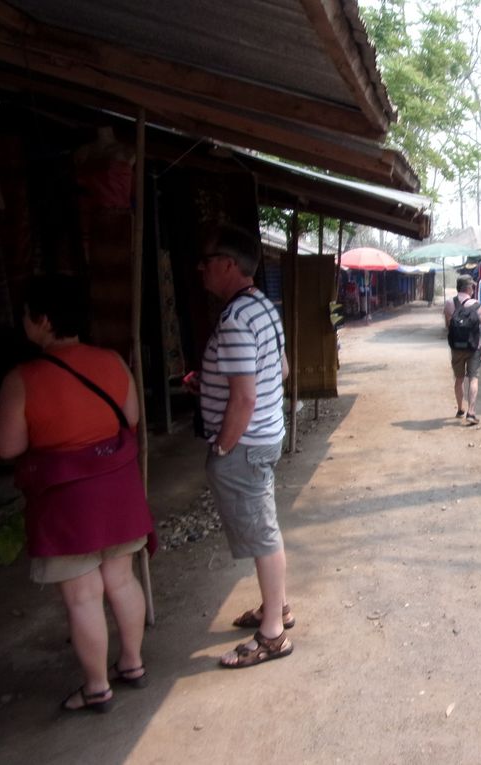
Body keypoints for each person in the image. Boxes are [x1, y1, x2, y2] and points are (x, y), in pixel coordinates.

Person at [0, 274, 155, 713]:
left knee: (83, 596)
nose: (23, 323)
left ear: (43, 320)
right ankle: (133, 663)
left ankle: (97, 687)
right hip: (116, 492)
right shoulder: (111, 362)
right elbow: (131, 418)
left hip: (65, 501)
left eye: (27, 315)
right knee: (121, 581)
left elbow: (8, 447)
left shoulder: (21, 379)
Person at [194, 224, 294, 668]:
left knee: (263, 534)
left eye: (207, 261)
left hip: (245, 444)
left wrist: (222, 447)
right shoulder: (263, 308)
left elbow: (245, 396)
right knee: (263, 527)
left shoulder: (236, 319)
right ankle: (278, 607)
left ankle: (272, 634)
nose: (201, 269)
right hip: (266, 435)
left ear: (229, 265)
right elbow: (283, 370)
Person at [444, 274, 481, 425]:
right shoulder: (476, 305)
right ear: (469, 287)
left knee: (459, 379)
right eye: (472, 286)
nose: (473, 289)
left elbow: (448, 326)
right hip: (473, 348)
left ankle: (460, 409)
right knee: (473, 378)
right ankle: (471, 412)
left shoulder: (449, 303)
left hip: (456, 348)